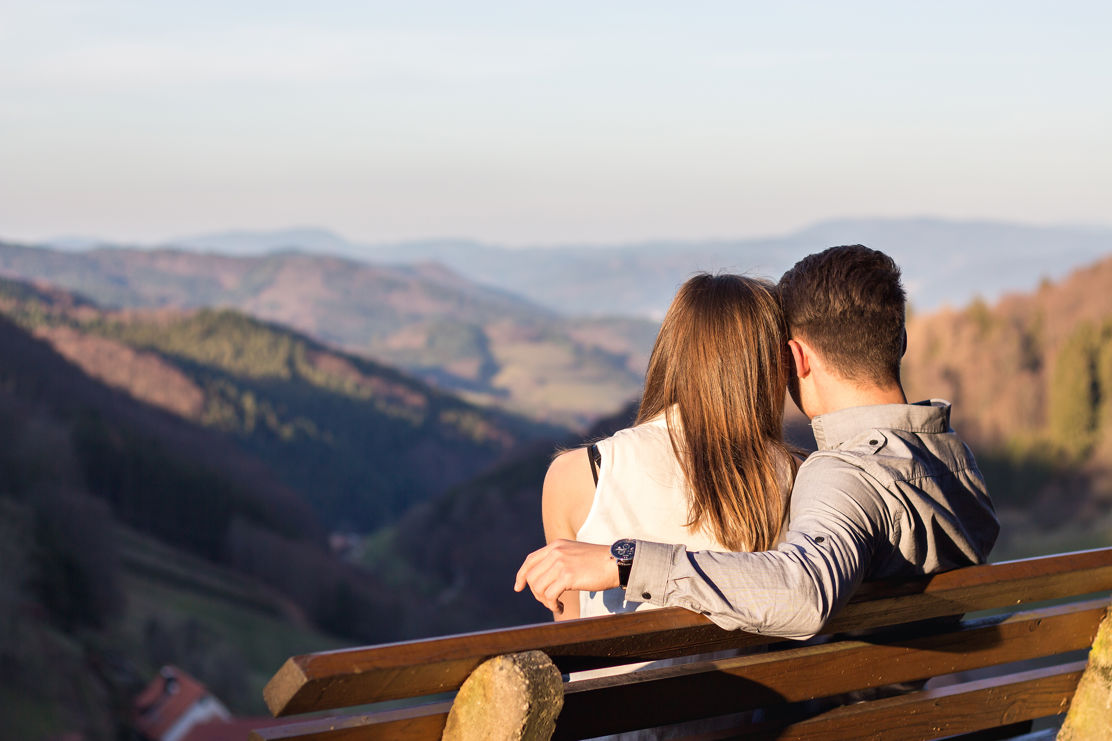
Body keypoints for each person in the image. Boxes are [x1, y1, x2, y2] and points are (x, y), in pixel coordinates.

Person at [515, 245, 1000, 640]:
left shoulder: (832, 478)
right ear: (900, 342)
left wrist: (626, 560)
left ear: (796, 358)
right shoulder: (953, 461)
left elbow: (802, 595)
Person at [541, 273, 798, 622]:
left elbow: (568, 631)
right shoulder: (800, 477)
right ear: (770, 369)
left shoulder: (579, 476)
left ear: (670, 352)